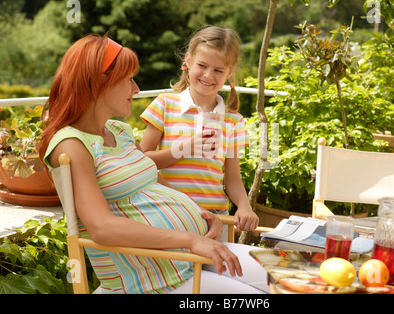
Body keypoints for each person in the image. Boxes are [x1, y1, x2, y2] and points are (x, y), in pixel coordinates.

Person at [38, 34, 268, 294]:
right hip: (155, 280)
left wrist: (206, 218)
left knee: (283, 275)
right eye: (129, 80)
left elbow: (158, 184)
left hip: (184, 261)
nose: (136, 90)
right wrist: (190, 240)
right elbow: (101, 228)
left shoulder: (119, 131)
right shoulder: (72, 144)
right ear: (100, 83)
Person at [139, 26, 259, 240]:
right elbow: (141, 161)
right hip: (171, 212)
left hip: (217, 218)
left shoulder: (233, 121)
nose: (208, 75)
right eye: (202, 65)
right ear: (188, 61)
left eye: (218, 70)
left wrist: (244, 206)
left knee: (219, 271)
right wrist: (185, 149)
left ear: (229, 72)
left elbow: (232, 180)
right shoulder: (165, 105)